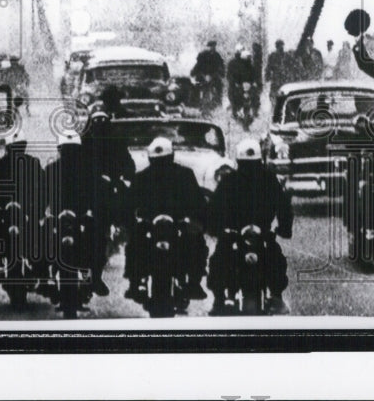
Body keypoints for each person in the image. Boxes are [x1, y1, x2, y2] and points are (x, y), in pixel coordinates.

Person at [207, 140, 293, 315]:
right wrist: (284, 228)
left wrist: (215, 228)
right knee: (272, 257)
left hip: (246, 234)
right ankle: (221, 298)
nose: (249, 169)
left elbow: (213, 208)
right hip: (247, 234)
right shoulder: (269, 179)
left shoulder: (230, 180)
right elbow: (284, 206)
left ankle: (221, 299)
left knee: (273, 258)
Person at [123, 137, 208, 302]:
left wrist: (195, 220)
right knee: (136, 241)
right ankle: (191, 282)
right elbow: (199, 203)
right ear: (172, 155)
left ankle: (137, 282)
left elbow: (127, 206)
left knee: (194, 240)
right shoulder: (185, 174)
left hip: (173, 224)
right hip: (157, 224)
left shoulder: (142, 177)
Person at [43, 130, 108, 297]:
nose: (70, 154)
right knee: (98, 237)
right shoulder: (88, 169)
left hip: (74, 217)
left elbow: (41, 195)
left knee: (98, 236)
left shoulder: (52, 169)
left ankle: (92, 276)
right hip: (69, 216)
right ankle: (93, 277)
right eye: (68, 150)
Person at [0, 134, 45, 283]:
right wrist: (39, 209)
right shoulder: (32, 162)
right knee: (36, 233)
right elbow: (44, 188)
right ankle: (36, 267)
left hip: (11, 211)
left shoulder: (2, 163)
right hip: (26, 210)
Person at [191, 40, 225, 110]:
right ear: (208, 47)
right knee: (201, 88)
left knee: (219, 87)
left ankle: (217, 103)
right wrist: (198, 74)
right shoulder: (203, 55)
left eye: (214, 46)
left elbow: (220, 66)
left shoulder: (217, 55)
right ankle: (200, 104)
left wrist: (221, 73)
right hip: (202, 75)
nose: (212, 48)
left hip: (213, 75)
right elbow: (198, 65)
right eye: (211, 46)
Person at [226, 45, 257, 115]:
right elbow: (230, 75)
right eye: (240, 50)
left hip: (246, 85)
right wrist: (234, 82)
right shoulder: (232, 63)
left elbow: (253, 75)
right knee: (233, 94)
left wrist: (254, 82)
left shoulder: (248, 65)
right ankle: (234, 110)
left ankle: (255, 110)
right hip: (236, 84)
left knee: (255, 95)